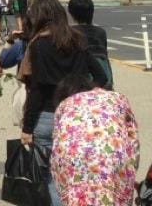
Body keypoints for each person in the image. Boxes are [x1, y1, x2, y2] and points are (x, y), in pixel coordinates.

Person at [19, 0, 110, 206]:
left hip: (47, 116)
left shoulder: (39, 45)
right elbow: (102, 76)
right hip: (77, 116)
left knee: (51, 177)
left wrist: (27, 127)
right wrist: (83, 93)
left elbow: (37, 91)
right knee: (77, 174)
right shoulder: (77, 40)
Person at [51, 76, 139, 205]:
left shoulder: (63, 106)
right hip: (111, 156)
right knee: (111, 198)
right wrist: (130, 172)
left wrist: (63, 190)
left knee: (77, 196)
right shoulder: (117, 99)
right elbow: (133, 139)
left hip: (73, 158)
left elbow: (57, 146)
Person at [67, 0, 112, 87]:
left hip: (81, 80)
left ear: (71, 13)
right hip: (102, 78)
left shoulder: (70, 32)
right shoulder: (100, 32)